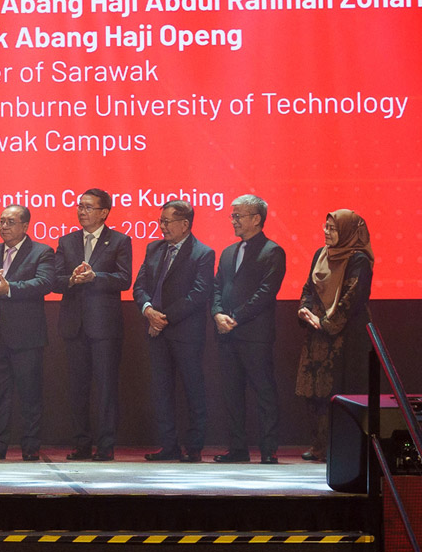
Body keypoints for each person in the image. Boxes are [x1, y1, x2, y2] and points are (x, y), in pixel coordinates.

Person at [0, 205, 58, 461]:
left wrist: (7, 289)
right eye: (1, 221)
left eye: (10, 222)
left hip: (26, 338)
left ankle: (30, 447)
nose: (4, 226)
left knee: (30, 394)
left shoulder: (42, 251)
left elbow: (44, 283)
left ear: (25, 226)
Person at [133, 199, 215, 463]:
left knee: (193, 390)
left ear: (185, 224)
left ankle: (193, 447)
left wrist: (162, 319)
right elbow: (139, 286)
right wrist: (148, 310)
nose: (162, 227)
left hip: (185, 332)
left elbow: (199, 295)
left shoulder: (202, 253)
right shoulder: (154, 248)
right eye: (161, 221)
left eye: (167, 222)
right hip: (156, 331)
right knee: (161, 390)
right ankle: (168, 445)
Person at [55, 188, 132, 461]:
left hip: (105, 328)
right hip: (74, 326)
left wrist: (95, 277)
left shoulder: (120, 240)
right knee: (77, 388)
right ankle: (81, 443)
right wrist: (73, 280)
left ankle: (106, 444)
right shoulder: (67, 241)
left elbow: (124, 279)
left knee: (106, 387)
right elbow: (55, 280)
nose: (81, 211)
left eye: (88, 207)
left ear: (104, 212)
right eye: (79, 206)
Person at [212, 194, 287, 464]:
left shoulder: (272, 251)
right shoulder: (229, 251)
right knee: (232, 393)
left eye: (237, 216)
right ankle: (238, 448)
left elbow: (265, 293)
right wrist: (218, 313)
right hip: (227, 334)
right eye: (232, 216)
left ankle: (268, 450)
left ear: (256, 219)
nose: (233, 221)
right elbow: (217, 286)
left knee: (263, 392)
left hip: (255, 335)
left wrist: (235, 317)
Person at [295, 210, 374, 462]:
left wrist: (326, 323)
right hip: (316, 334)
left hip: (345, 336)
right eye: (326, 227)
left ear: (348, 231)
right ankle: (319, 445)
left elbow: (352, 298)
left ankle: (343, 448)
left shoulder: (358, 259)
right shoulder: (321, 254)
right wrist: (305, 311)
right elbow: (308, 287)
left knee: (342, 392)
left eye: (333, 228)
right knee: (315, 392)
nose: (327, 232)